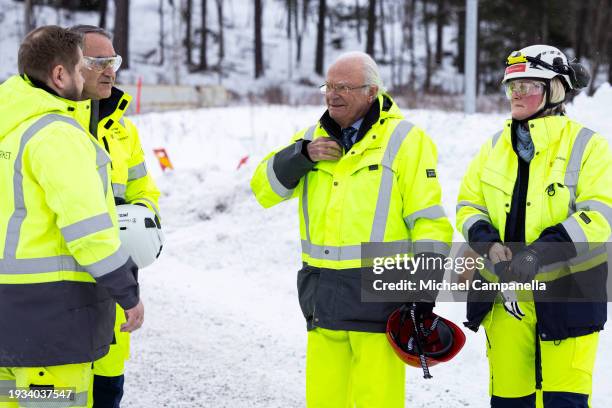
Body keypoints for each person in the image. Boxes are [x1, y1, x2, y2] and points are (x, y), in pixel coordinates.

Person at [251, 51, 453, 407]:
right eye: (328, 86)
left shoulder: (406, 141)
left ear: (371, 92)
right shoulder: (311, 138)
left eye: (343, 86)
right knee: (324, 401)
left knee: (377, 401)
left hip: (380, 305)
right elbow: (263, 190)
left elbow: (430, 222)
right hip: (323, 299)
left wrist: (424, 292)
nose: (333, 94)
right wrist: (302, 156)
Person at [457, 44, 611, 407]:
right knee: (510, 402)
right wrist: (486, 242)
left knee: (564, 402)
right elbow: (468, 205)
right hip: (505, 300)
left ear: (555, 89)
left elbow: (600, 214)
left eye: (529, 84)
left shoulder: (589, 147)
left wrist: (539, 254)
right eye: (512, 86)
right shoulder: (492, 148)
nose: (518, 93)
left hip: (569, 297)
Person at [0, 26, 143, 408]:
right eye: (83, 67)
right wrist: (127, 293)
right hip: (51, 325)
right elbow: (88, 232)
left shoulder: (8, 130)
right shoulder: (58, 135)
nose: (89, 76)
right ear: (60, 75)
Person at [68, 24, 161, 408]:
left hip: (112, 291)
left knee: (107, 393)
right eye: (99, 61)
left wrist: (144, 219)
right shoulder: (46, 127)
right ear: (68, 65)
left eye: (114, 61)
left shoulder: (124, 131)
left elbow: (144, 191)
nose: (110, 71)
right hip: (56, 293)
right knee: (42, 396)